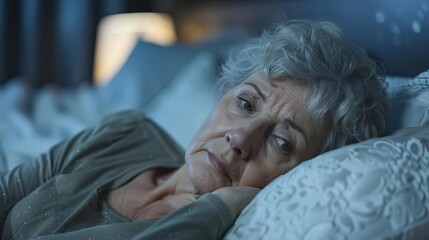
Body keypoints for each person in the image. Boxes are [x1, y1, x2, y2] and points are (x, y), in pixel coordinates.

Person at [0, 20, 387, 239]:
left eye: (282, 142)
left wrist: (223, 203)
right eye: (246, 103)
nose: (240, 138)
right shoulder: (125, 131)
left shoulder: (215, 228)